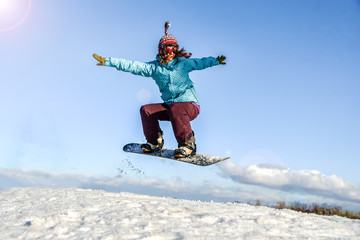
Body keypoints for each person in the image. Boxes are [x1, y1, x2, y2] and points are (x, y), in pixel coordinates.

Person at [93, 22, 226, 158]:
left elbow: (201, 62)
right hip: (171, 107)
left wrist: (215, 60)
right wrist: (108, 61)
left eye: (174, 50)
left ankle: (187, 144)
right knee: (146, 110)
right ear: (161, 50)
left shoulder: (183, 63)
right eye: (169, 49)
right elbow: (133, 66)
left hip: (190, 105)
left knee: (176, 107)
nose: (172, 53)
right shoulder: (154, 68)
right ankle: (154, 141)